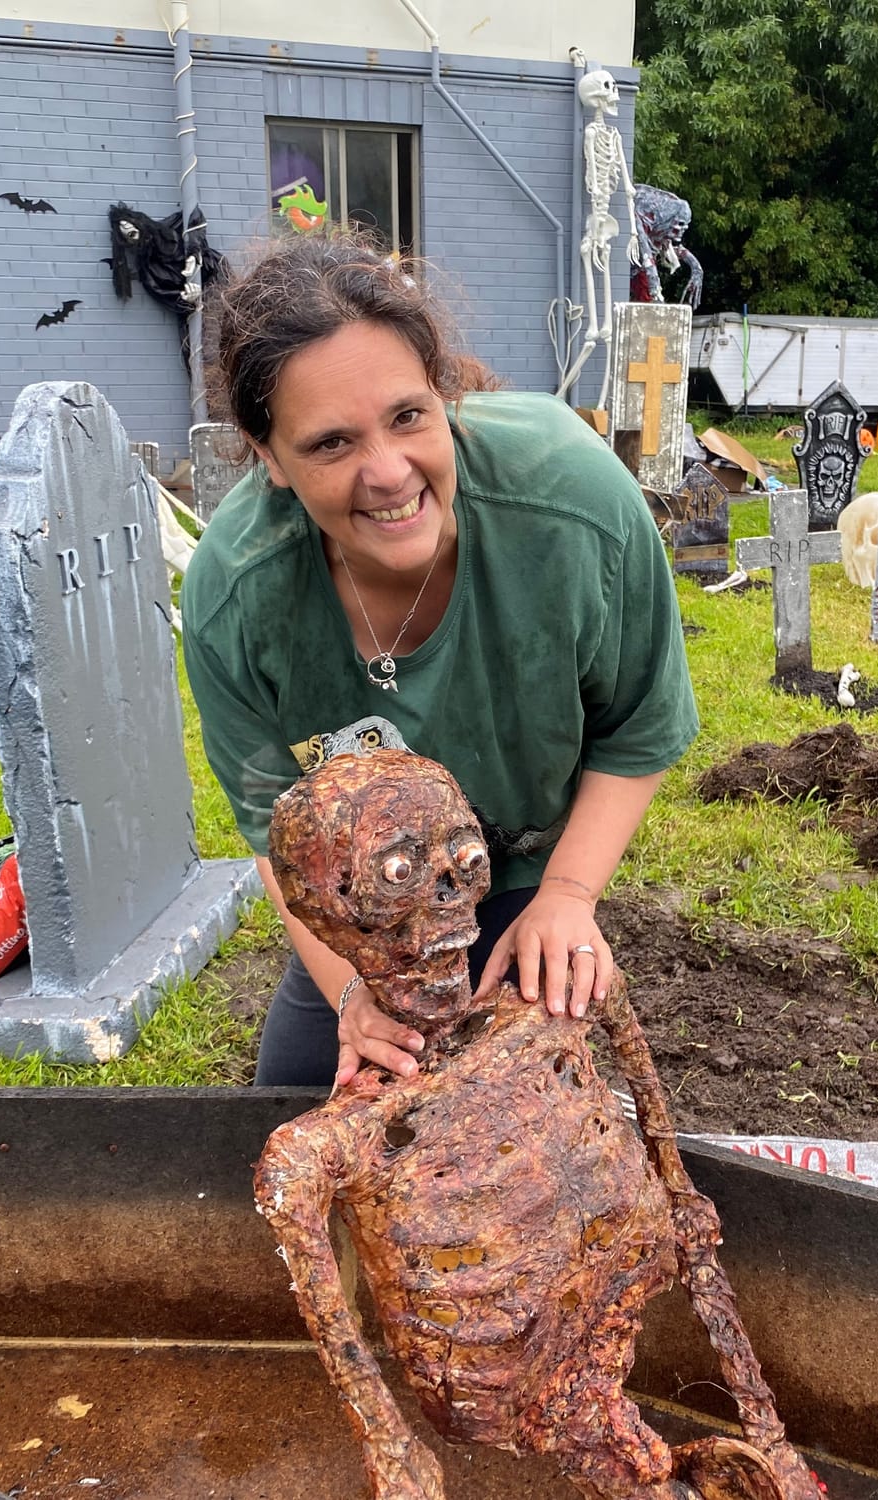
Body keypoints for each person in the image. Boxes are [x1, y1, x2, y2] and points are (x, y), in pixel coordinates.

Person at [181, 232, 698, 1092]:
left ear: (442, 393)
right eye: (330, 444)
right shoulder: (236, 598)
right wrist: (351, 991)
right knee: (299, 1094)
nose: (388, 473)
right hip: (372, 909)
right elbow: (277, 823)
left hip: (532, 863)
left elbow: (638, 725)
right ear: (269, 456)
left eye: (408, 417)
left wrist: (568, 896)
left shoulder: (573, 505)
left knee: (546, 1112)